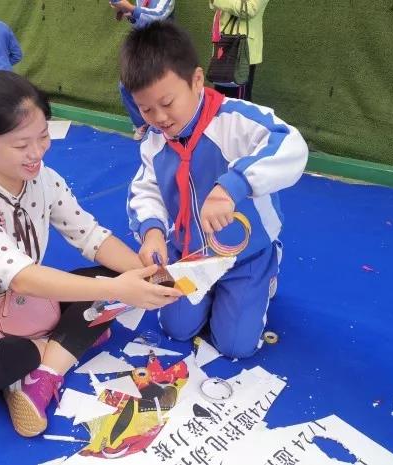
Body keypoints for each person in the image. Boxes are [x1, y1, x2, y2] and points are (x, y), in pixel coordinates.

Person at [0, 70, 181, 438]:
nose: (37, 153)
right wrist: (119, 289)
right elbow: (20, 275)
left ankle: (41, 375)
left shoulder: (45, 179)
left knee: (119, 281)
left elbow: (90, 235)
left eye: (43, 136)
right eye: (21, 144)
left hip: (29, 299)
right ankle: (60, 343)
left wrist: (156, 277)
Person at [122, 22, 308, 359]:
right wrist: (151, 233)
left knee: (236, 346)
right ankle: (211, 296)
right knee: (176, 329)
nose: (159, 118)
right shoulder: (154, 140)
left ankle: (265, 274)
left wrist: (232, 187)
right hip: (188, 254)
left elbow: (290, 145)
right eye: (146, 109)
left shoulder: (235, 120)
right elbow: (146, 188)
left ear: (196, 80)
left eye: (167, 102)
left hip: (244, 255)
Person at [109, 0, 175, 141]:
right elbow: (142, 22)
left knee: (159, 88)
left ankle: (167, 127)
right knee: (125, 85)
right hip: (144, 49)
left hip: (164, 50)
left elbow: (159, 15)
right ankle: (142, 124)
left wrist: (131, 8)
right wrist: (128, 13)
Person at [209, 0, 269, 101]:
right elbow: (216, 6)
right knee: (220, 99)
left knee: (239, 101)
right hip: (223, 44)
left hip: (242, 50)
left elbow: (248, 9)